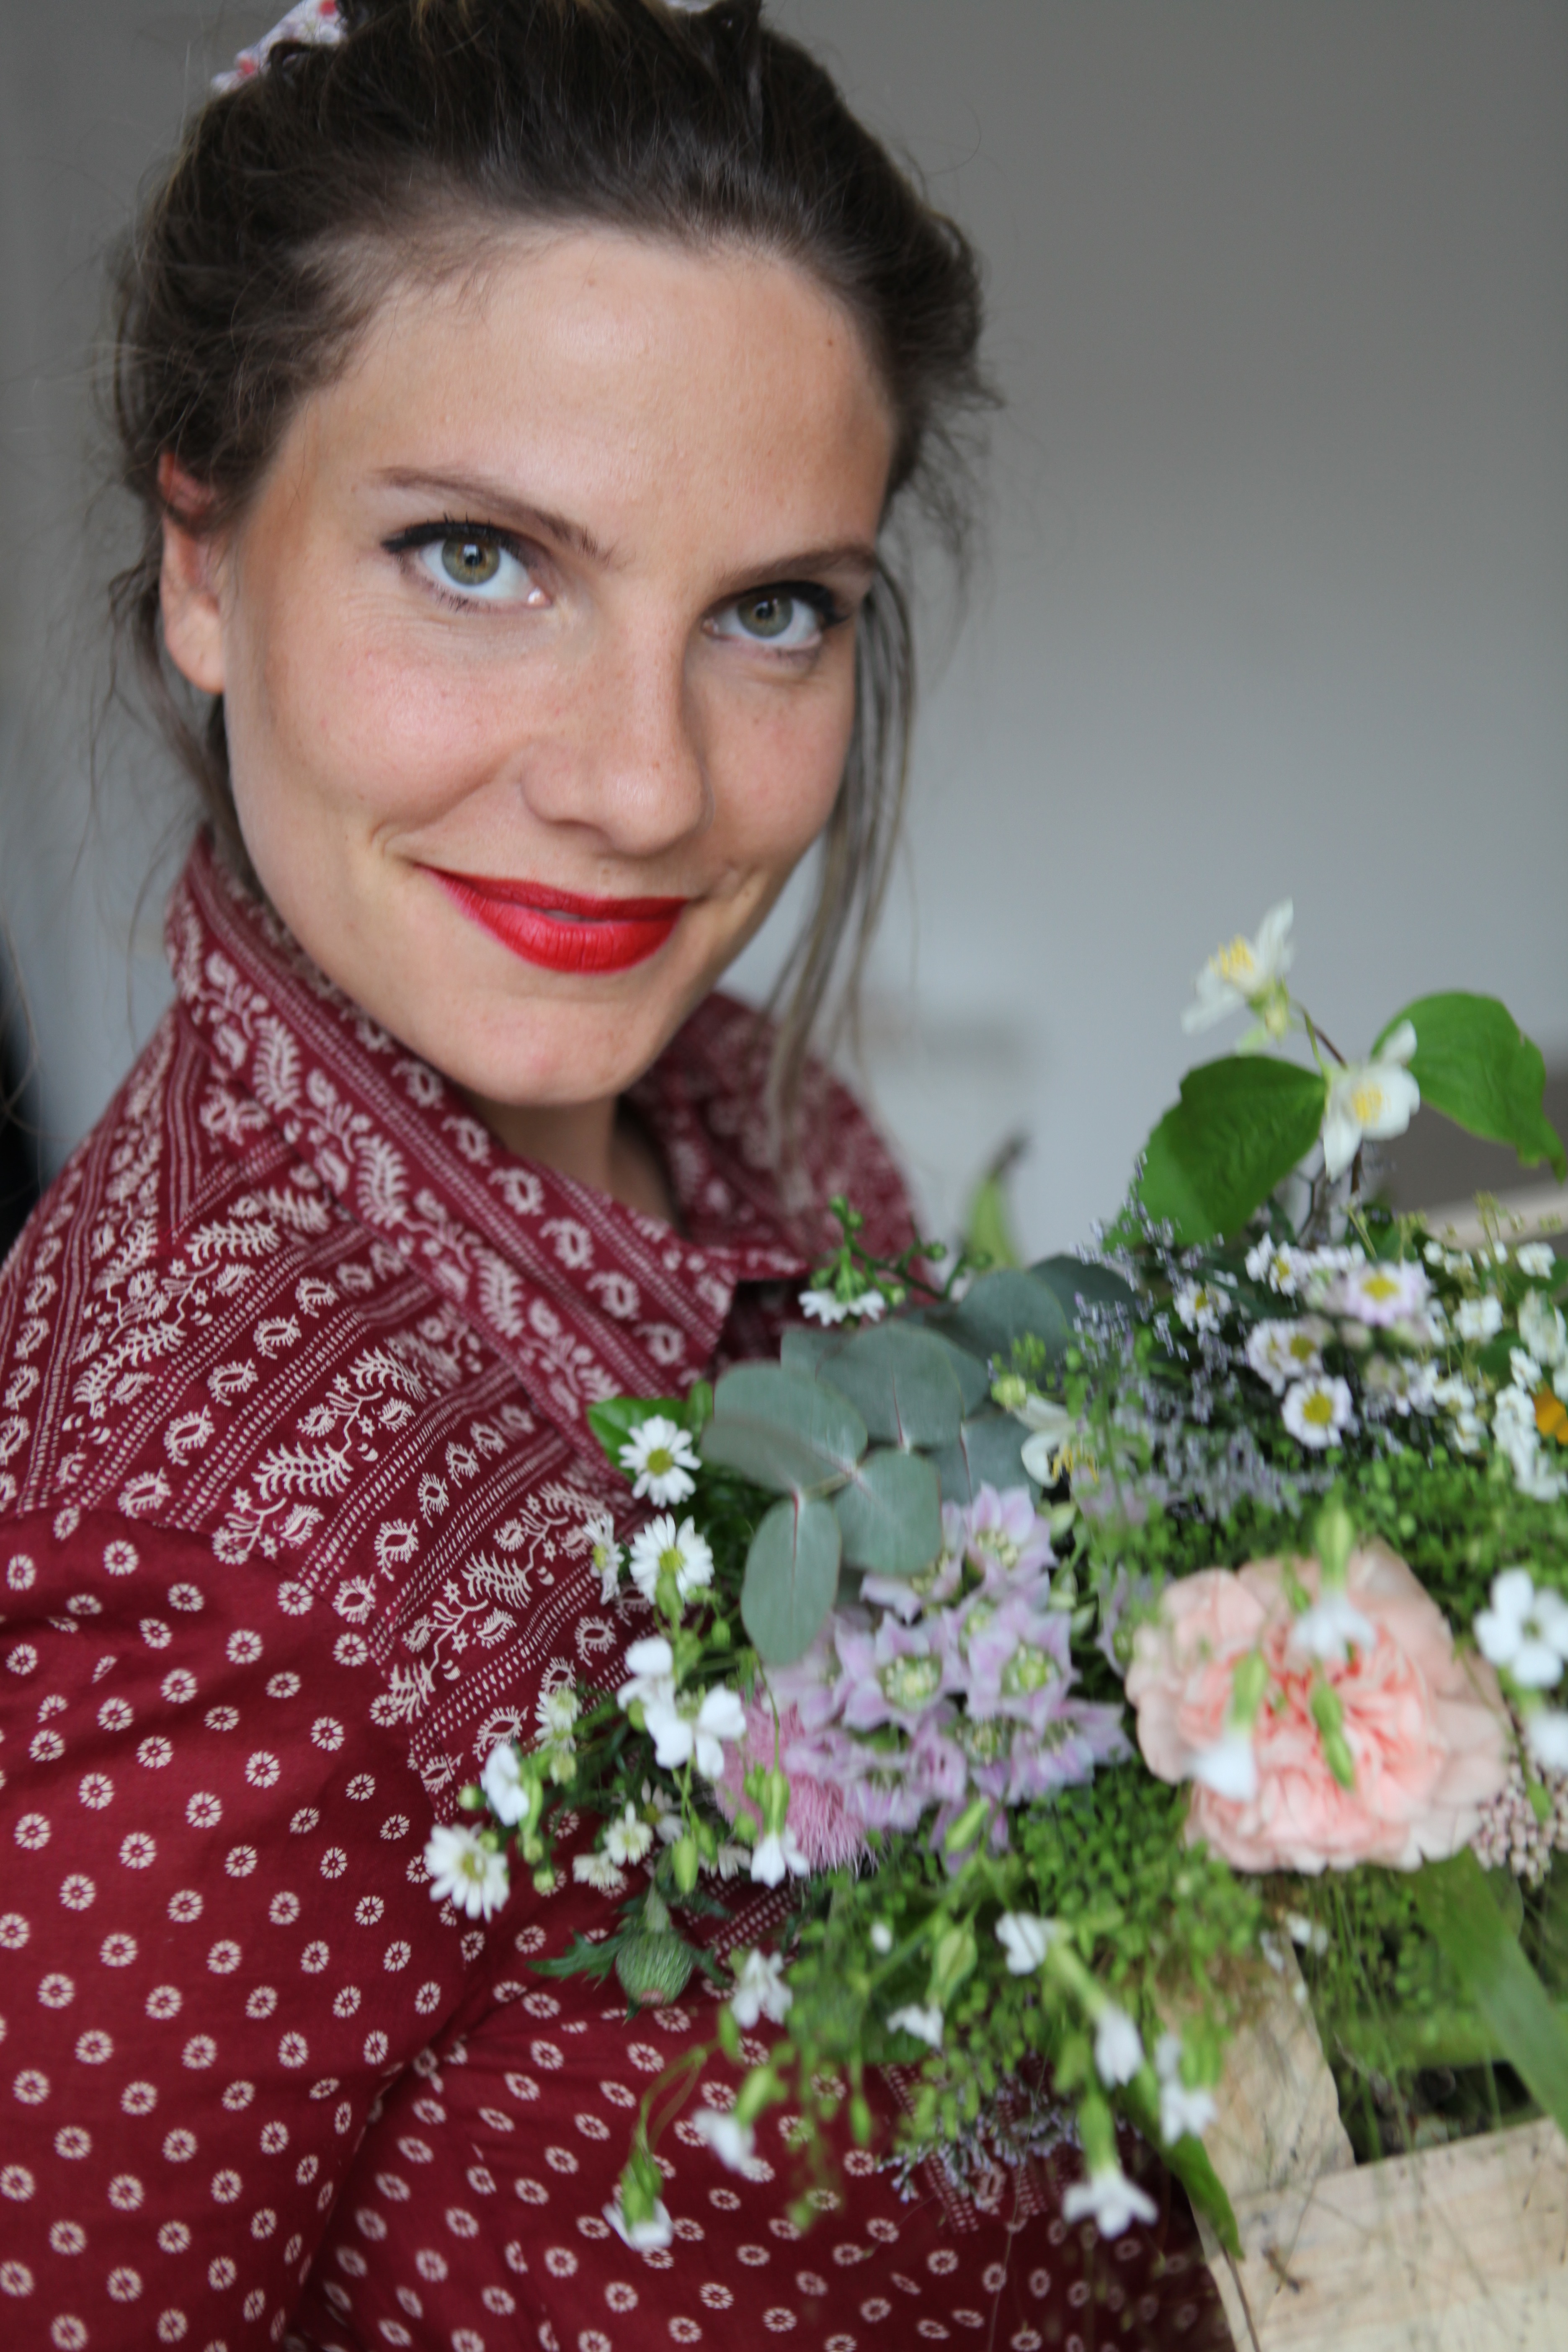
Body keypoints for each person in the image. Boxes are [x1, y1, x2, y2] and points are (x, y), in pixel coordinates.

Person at [0, 5, 1228, 2346]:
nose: (650, 787)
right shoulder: (183, 1554)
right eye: (477, 557)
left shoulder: (758, 1118)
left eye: (774, 610)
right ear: (203, 564)